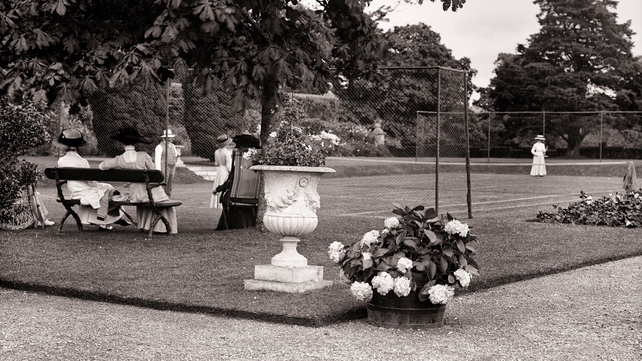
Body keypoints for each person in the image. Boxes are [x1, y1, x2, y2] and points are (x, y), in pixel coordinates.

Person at [99, 126, 178, 234]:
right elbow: (155, 174)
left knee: (150, 198)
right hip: (149, 193)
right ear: (135, 142)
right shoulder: (143, 156)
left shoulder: (119, 159)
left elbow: (102, 166)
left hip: (134, 194)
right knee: (164, 201)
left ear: (122, 143)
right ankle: (163, 228)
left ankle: (145, 225)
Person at [54, 129, 128, 231]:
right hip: (84, 192)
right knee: (109, 189)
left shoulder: (61, 161)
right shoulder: (82, 161)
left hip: (74, 192)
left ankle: (108, 221)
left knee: (106, 189)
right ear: (78, 146)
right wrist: (98, 186)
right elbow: (90, 181)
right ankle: (109, 221)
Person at [210, 134, 235, 209]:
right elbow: (228, 166)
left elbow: (216, 163)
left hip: (220, 169)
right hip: (224, 170)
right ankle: (223, 202)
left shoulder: (216, 152)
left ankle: (216, 203)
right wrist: (231, 172)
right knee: (224, 184)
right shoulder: (226, 152)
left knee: (219, 184)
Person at [154, 129, 178, 197]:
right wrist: (158, 171)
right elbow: (157, 160)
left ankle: (168, 196)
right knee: (163, 182)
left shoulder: (172, 146)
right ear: (164, 138)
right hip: (164, 166)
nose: (169, 138)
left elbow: (175, 155)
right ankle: (162, 197)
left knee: (170, 183)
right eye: (168, 137)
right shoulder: (159, 147)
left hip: (172, 166)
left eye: (170, 137)